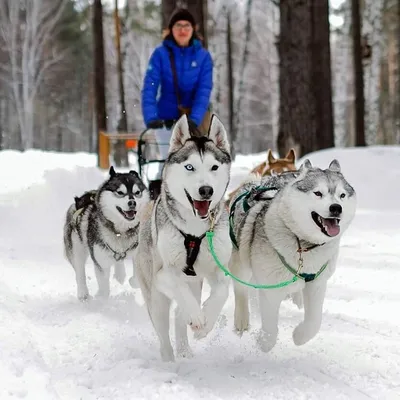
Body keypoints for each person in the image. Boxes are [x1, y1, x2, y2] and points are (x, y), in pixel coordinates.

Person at [141, 8, 213, 198]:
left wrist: (195, 119)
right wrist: (151, 117)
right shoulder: (160, 54)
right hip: (166, 117)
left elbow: (203, 91)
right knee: (170, 159)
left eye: (186, 26)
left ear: (193, 29)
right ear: (171, 29)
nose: (182, 30)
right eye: (178, 25)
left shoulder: (203, 57)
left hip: (194, 118)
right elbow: (150, 86)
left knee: (196, 160)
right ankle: (160, 199)